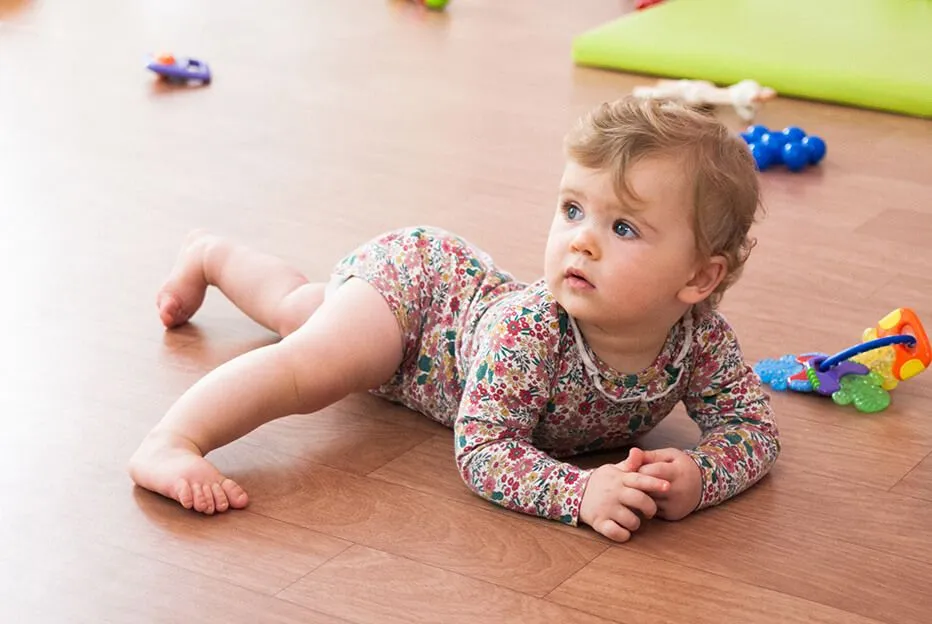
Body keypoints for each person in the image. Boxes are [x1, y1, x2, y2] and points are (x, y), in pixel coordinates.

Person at [129, 96, 780, 543]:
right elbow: (483, 450)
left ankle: (210, 254)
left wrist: (703, 476)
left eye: (623, 227)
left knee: (299, 307)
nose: (581, 241)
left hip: (446, 314)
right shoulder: (533, 333)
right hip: (418, 299)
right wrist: (578, 494)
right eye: (572, 210)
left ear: (699, 278)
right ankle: (171, 442)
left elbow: (753, 429)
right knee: (312, 366)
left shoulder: (701, 343)